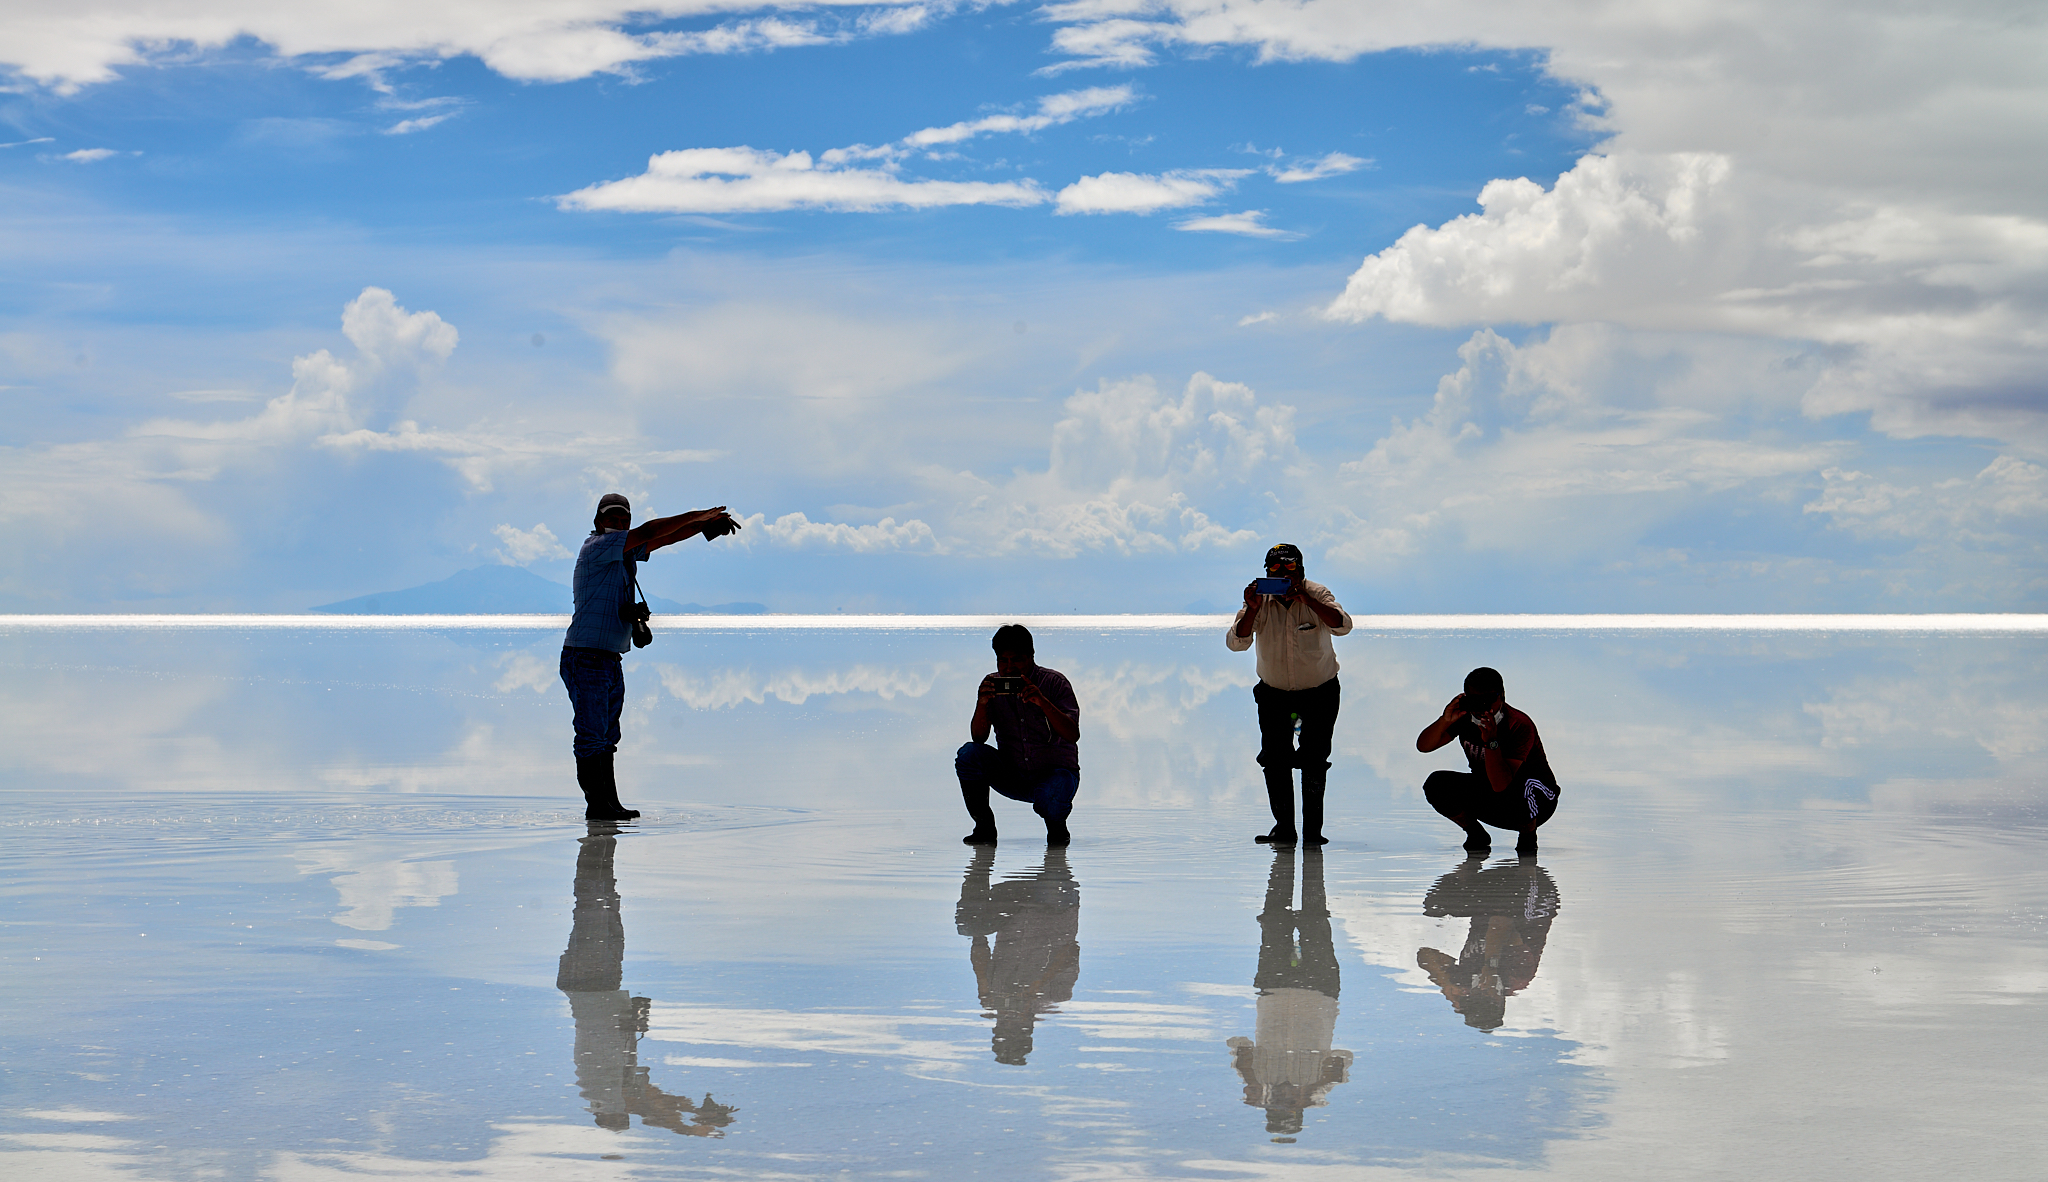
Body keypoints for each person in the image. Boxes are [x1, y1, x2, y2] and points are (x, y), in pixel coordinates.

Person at [561, 492, 740, 821]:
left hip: (609, 658)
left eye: (623, 519)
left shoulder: (624, 554)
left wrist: (702, 527)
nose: (618, 523)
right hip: (585, 657)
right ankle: (597, 807)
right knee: (591, 735)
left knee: (606, 737)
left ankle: (608, 805)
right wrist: (699, 514)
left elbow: (666, 537)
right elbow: (648, 532)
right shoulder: (597, 547)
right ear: (598, 523)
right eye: (612, 519)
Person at [556, 822, 737, 1137]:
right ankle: (599, 841)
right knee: (605, 904)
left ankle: (596, 841)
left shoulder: (602, 1097)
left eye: (625, 1115)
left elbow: (644, 1104)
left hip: (590, 983)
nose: (631, 1112)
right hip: (601, 985)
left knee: (595, 906)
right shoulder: (617, 1091)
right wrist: (693, 1114)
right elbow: (651, 1100)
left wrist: (689, 1128)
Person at [1225, 543, 1353, 847]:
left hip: (1320, 692)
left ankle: (1312, 832)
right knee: (1275, 760)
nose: (1283, 574)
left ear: (1301, 568)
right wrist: (1252, 608)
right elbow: (1236, 642)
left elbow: (1342, 625)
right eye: (1276, 570)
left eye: (1290, 568)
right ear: (1267, 571)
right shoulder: (1260, 599)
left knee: (1314, 760)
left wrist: (1306, 598)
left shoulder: (1317, 593)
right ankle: (1283, 828)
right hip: (1274, 695)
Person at [1226, 847, 1352, 1141]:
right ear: (1300, 1110)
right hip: (1320, 991)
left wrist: (1251, 1082)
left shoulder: (1258, 1079)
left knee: (1273, 920)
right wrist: (1308, 1092)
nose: (1283, 1101)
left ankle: (1284, 863)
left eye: (1277, 1108)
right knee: (1315, 919)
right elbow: (1343, 1059)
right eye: (1288, 1109)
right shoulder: (1318, 1090)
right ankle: (1312, 866)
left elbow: (1239, 1044)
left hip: (1273, 989)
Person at [954, 624, 1081, 846]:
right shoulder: (993, 684)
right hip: (1012, 774)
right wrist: (982, 703)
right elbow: (978, 738)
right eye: (1003, 660)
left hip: (1055, 775)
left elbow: (1072, 734)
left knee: (1053, 792)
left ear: (1031, 657)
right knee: (968, 755)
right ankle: (984, 827)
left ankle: (1057, 829)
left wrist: (1042, 701)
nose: (1010, 667)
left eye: (1017, 660)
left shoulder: (1054, 683)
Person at [954, 846, 1081, 1065]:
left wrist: (983, 982)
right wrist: (1038, 984)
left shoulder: (991, 998)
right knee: (1055, 881)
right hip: (1052, 905)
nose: (1009, 1018)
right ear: (1028, 1025)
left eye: (1004, 1025)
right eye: (1013, 1026)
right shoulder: (1056, 995)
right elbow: (1072, 951)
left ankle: (978, 869)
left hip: (1013, 907)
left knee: (967, 926)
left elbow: (979, 942)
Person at [1415, 666, 1561, 855]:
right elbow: (1424, 746)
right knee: (1437, 784)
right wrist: (1445, 720)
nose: (1484, 707)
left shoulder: (1518, 724)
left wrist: (1491, 741)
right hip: (1495, 796)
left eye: (1489, 699)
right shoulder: (1465, 718)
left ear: (1502, 696)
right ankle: (1475, 834)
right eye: (1475, 700)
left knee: (1521, 784)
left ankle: (1528, 838)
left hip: (1538, 801)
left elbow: (1503, 784)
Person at [1415, 855, 1561, 1032]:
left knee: (1435, 906)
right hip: (1537, 897)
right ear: (1500, 999)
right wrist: (1490, 968)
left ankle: (1473, 860)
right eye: (1489, 996)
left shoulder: (1467, 982)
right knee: (1503, 907)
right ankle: (1526, 858)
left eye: (1477, 994)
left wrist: (1446, 983)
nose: (1483, 989)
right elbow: (1500, 923)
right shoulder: (1516, 977)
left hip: (1493, 903)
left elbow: (1424, 955)